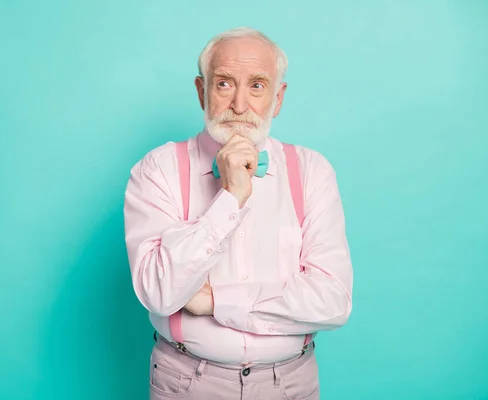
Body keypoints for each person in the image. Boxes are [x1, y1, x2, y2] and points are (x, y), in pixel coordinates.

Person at [123, 27, 353, 400]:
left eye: (258, 86)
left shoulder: (313, 171)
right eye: (225, 84)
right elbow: (160, 292)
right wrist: (231, 198)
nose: (241, 105)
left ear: (278, 99)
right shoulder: (158, 169)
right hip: (188, 382)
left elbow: (332, 300)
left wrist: (216, 301)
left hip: (290, 383)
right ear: (202, 92)